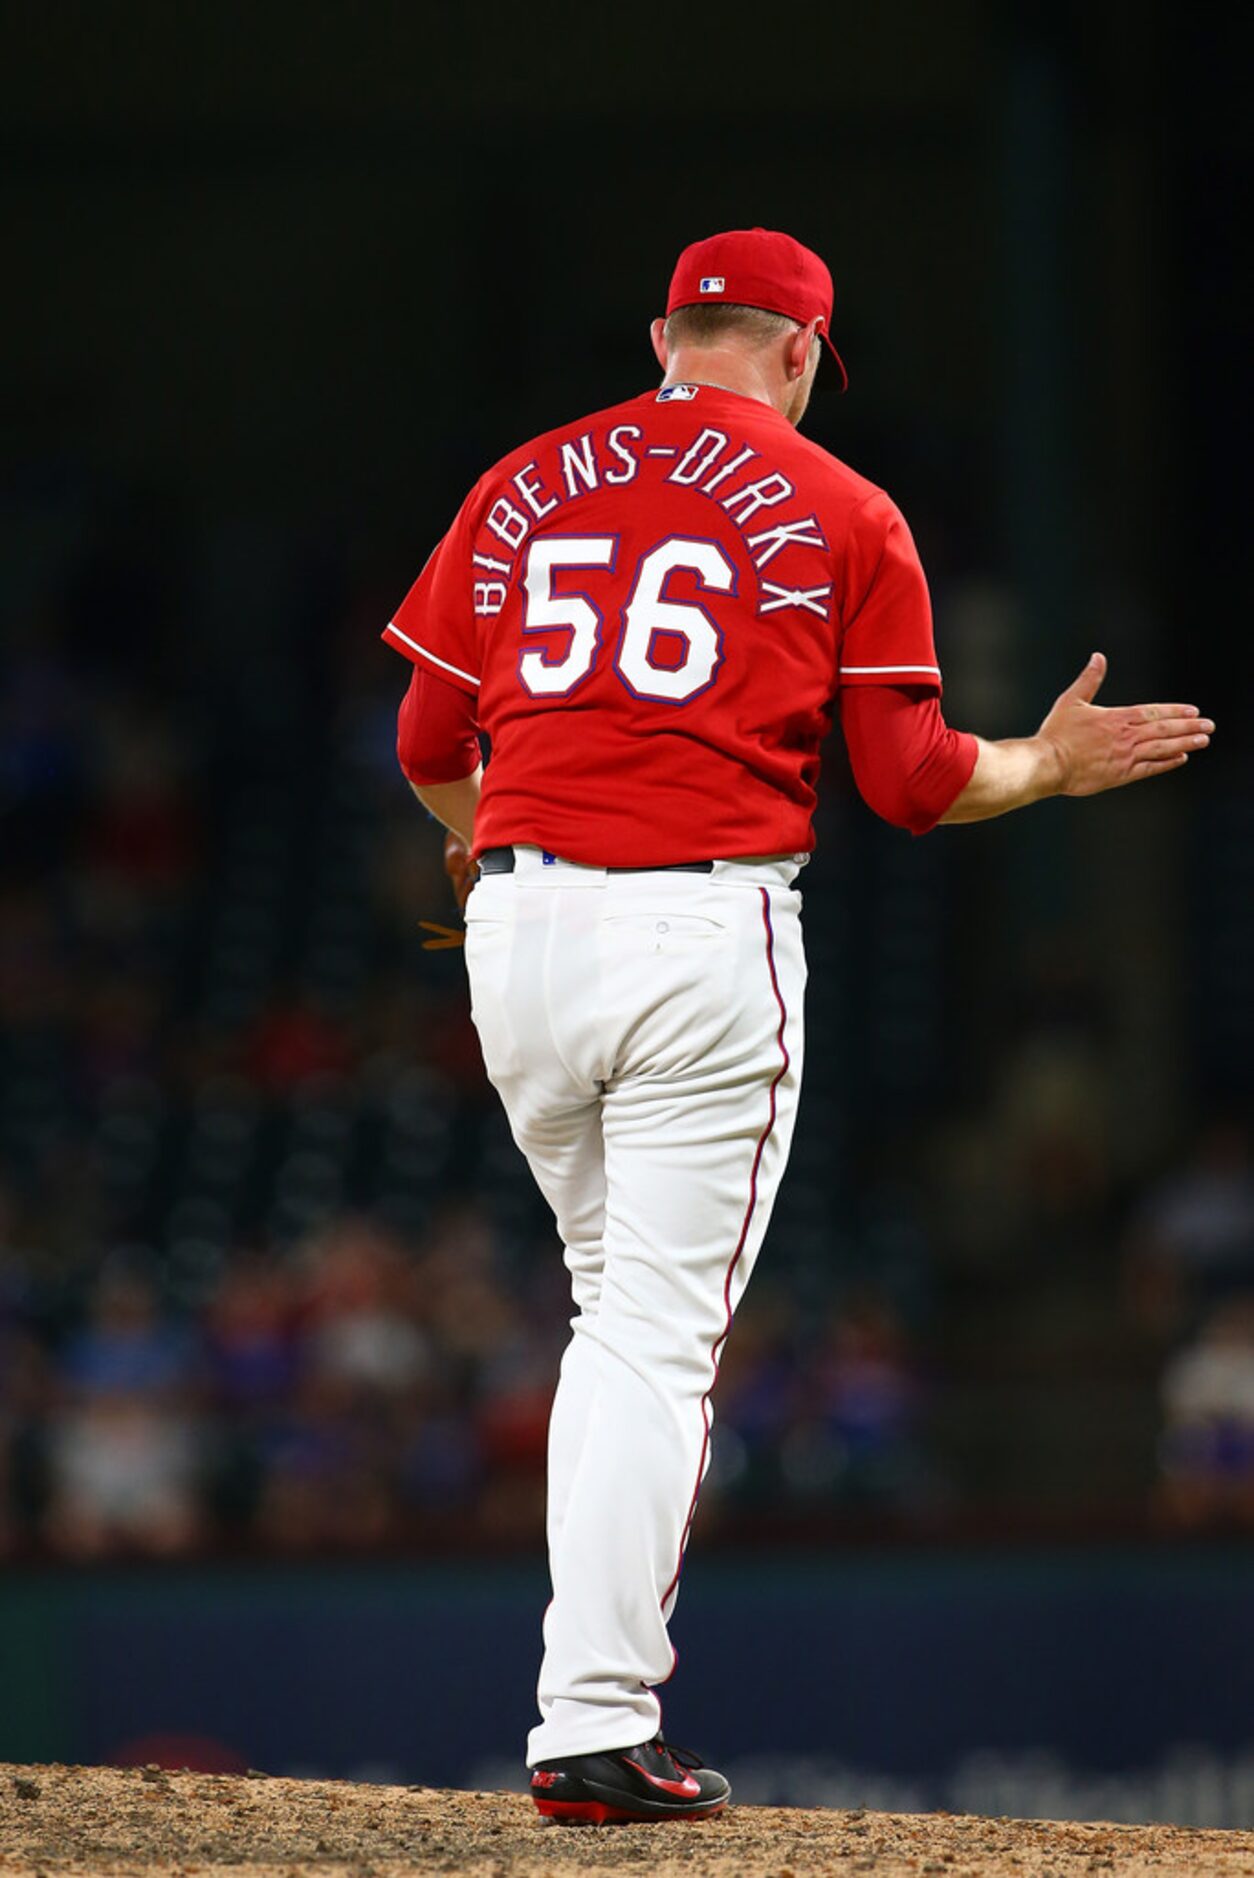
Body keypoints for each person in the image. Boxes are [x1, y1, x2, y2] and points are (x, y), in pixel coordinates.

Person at [382, 227, 1213, 1824]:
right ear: (805, 354)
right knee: (647, 1341)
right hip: (697, 928)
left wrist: (498, 832)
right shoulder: (842, 506)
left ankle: (585, 1700)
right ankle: (592, 1719)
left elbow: (428, 733)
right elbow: (905, 778)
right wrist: (1044, 765)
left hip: (518, 928)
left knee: (608, 1316)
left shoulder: (523, 476)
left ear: (663, 335)